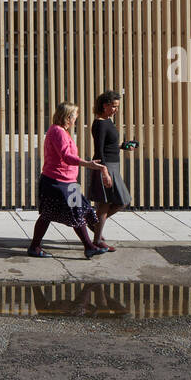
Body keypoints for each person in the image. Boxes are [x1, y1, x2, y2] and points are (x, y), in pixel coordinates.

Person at [27, 102, 111, 259]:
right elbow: (66, 156)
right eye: (75, 116)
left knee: (57, 213)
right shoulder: (57, 132)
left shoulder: (60, 131)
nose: (75, 119)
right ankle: (89, 246)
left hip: (64, 181)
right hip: (57, 182)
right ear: (67, 117)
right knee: (73, 210)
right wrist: (88, 164)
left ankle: (35, 247)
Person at [87, 90, 134, 251]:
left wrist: (123, 146)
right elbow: (99, 150)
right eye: (114, 106)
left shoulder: (107, 121)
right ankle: (97, 239)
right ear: (105, 105)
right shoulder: (100, 123)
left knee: (115, 202)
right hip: (106, 166)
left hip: (113, 165)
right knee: (109, 203)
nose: (116, 110)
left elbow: (109, 145)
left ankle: (95, 227)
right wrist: (104, 172)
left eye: (117, 106)